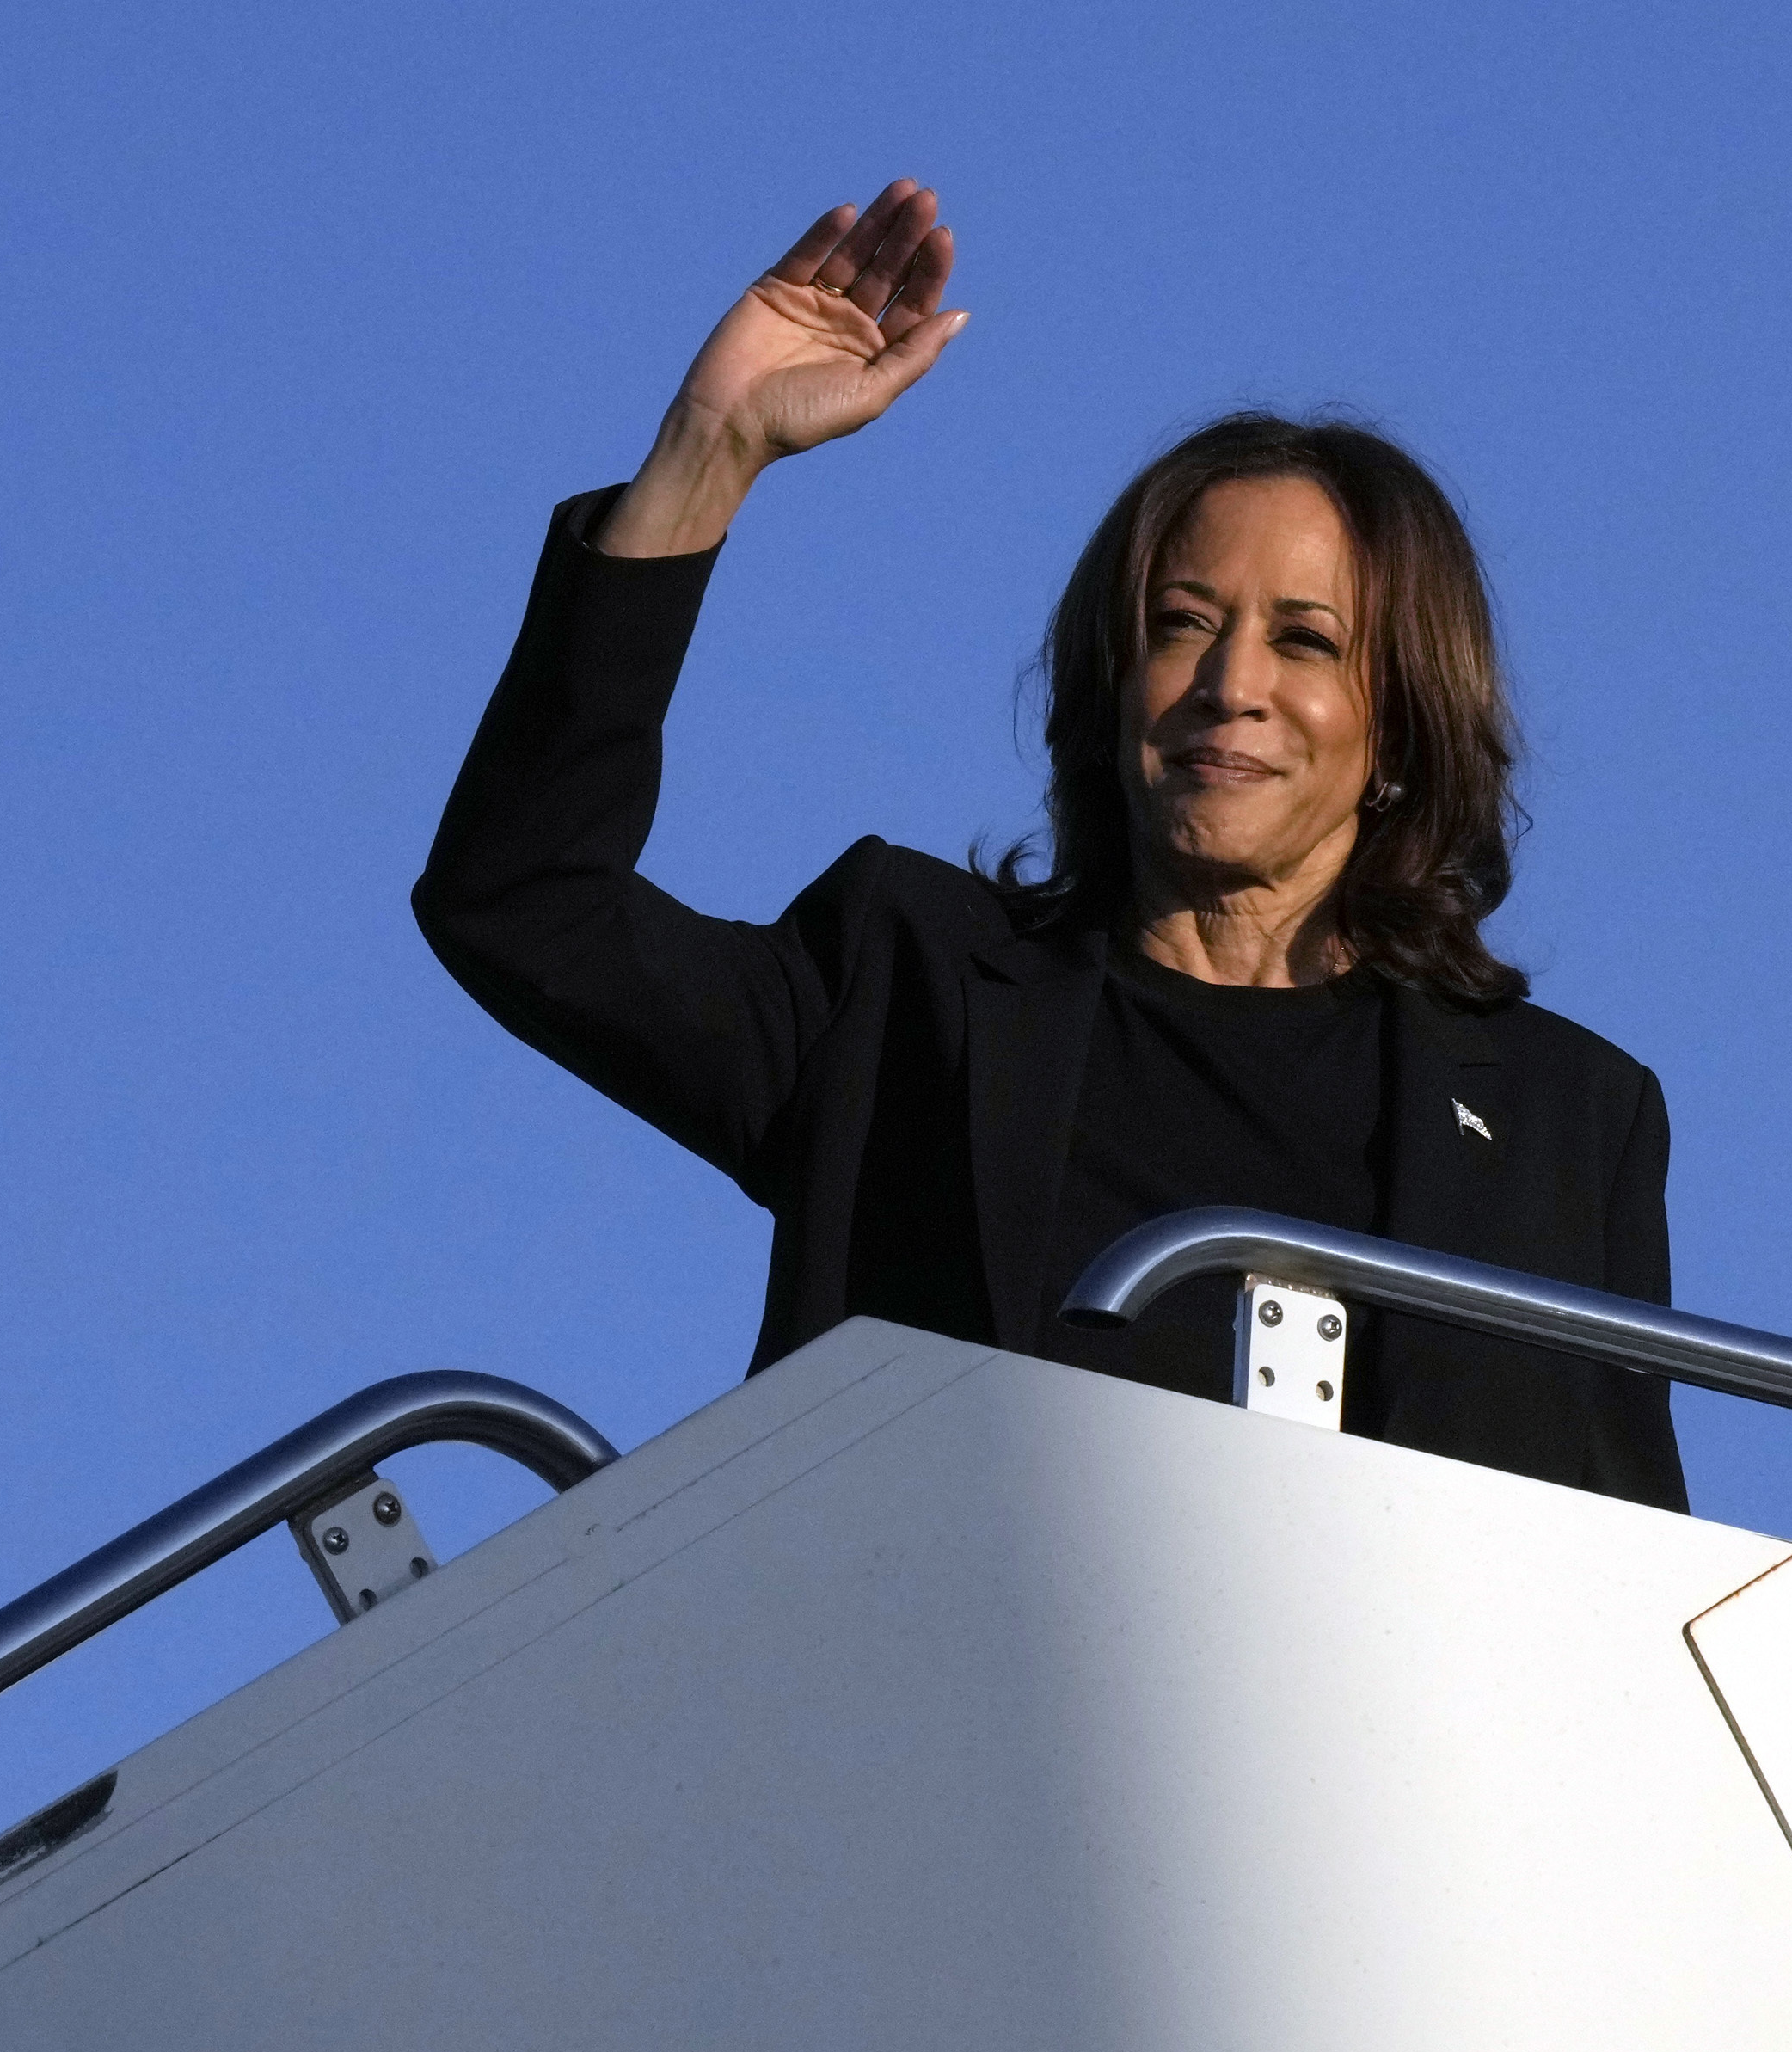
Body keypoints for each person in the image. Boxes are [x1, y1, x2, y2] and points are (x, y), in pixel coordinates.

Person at [416, 178, 1691, 1514]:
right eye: (1182, 623)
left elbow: (1621, 1559)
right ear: (1111, 677)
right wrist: (704, 454)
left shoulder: (1571, 1116)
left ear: (1403, 726)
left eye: (1305, 640)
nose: (1229, 684)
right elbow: (523, 902)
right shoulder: (901, 985)